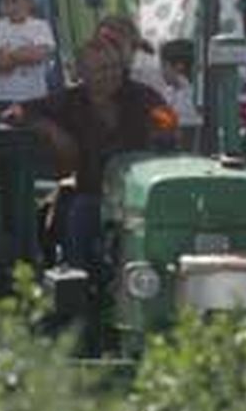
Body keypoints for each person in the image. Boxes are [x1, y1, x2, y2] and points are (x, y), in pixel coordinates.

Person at [22, 38, 171, 272]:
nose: (111, 75)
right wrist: (54, 133)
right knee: (79, 212)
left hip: (145, 202)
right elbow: (17, 111)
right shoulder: (69, 101)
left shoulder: (145, 97)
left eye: (114, 67)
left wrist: (163, 132)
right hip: (96, 196)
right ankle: (77, 284)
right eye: (101, 69)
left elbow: (169, 125)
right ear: (82, 72)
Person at [0, 0, 57, 106]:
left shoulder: (40, 26)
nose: (11, 7)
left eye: (15, 0)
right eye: (6, 2)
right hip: (2, 99)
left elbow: (38, 55)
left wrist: (9, 54)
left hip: (34, 99)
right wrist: (24, 53)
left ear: (28, 1)